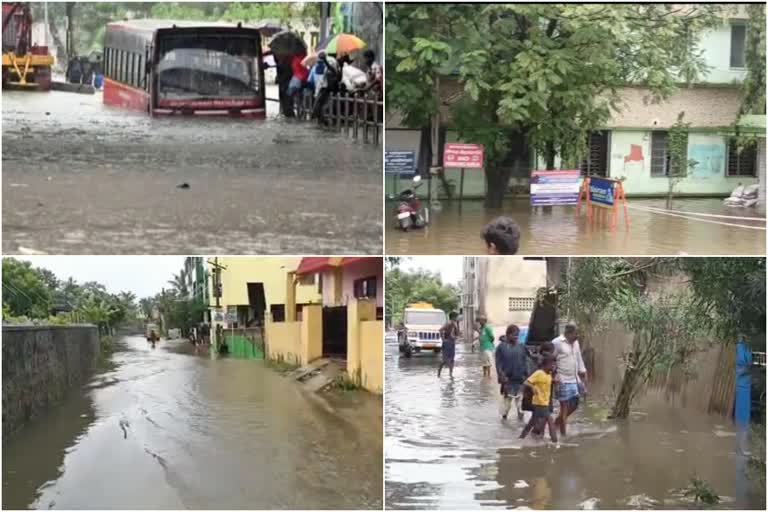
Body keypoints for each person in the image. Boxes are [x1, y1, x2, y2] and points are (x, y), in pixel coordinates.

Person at [552, 323, 587, 437]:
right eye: (576, 334)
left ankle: (555, 424)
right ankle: (563, 436)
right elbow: (550, 360)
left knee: (575, 404)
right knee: (564, 408)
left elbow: (578, 358)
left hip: (574, 379)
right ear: (569, 333)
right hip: (563, 380)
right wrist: (555, 374)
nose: (577, 336)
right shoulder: (557, 343)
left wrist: (583, 371)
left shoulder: (575, 343)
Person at [520, 355, 558, 443]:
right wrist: (533, 387)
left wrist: (554, 381)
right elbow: (526, 382)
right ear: (546, 365)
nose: (553, 366)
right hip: (539, 403)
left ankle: (521, 438)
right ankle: (555, 443)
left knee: (531, 422)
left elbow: (545, 383)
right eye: (552, 364)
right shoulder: (539, 373)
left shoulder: (548, 375)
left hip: (544, 402)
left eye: (554, 364)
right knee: (550, 420)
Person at [496, 325, 529, 420]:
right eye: (514, 335)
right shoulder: (501, 348)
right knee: (506, 406)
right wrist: (503, 380)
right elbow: (498, 365)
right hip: (507, 381)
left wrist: (526, 377)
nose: (516, 337)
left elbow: (526, 362)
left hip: (520, 380)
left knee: (520, 406)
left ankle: (520, 423)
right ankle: (504, 424)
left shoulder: (521, 347)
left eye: (517, 335)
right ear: (508, 335)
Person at [311, 52, 340, 126]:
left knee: (318, 107)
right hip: (324, 86)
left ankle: (324, 122)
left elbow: (333, 71)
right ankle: (323, 122)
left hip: (327, 87)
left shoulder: (331, 61)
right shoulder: (326, 62)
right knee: (318, 107)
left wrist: (325, 61)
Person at [438, 311, 460, 378]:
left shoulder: (454, 323)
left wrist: (458, 324)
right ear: (453, 317)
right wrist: (443, 339)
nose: (457, 318)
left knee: (452, 359)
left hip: (452, 342)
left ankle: (450, 374)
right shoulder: (449, 323)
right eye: (456, 316)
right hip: (447, 342)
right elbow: (440, 329)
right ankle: (439, 372)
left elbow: (457, 333)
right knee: (445, 360)